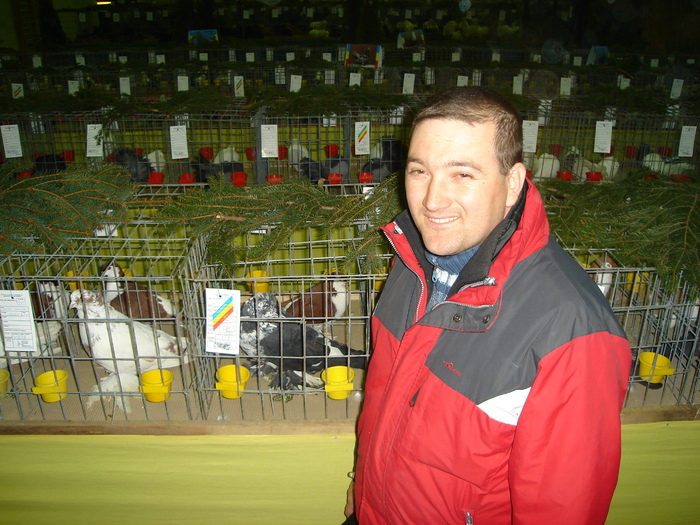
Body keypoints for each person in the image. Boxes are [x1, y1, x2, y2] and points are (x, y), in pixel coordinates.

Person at [344, 86, 632, 525]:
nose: (431, 201)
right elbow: (383, 402)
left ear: (512, 183)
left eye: (462, 174)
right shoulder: (410, 265)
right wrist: (360, 488)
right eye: (419, 171)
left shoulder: (571, 328)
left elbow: (562, 510)